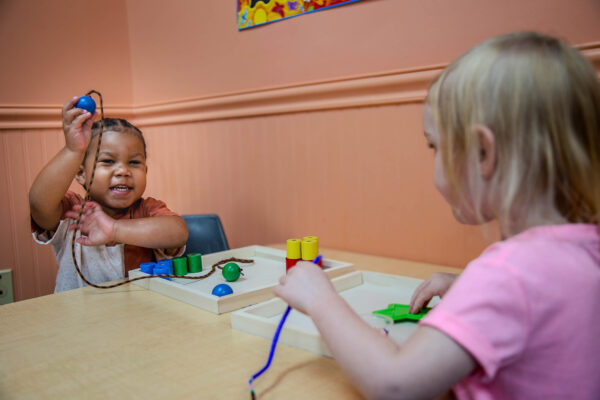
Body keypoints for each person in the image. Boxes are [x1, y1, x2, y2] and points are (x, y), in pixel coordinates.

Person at [274, 32, 600, 399]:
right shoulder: (585, 250)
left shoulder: (506, 276)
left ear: (482, 152)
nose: (433, 160)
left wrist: (320, 299)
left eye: (435, 146)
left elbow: (395, 385)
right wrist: (467, 287)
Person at [29, 97, 188, 292]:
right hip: (78, 320)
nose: (123, 171)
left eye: (134, 163)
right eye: (108, 161)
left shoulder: (148, 209)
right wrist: (72, 150)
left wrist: (114, 229)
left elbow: (178, 232)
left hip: (139, 318)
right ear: (80, 173)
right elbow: (39, 204)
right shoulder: (73, 210)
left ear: (145, 171)